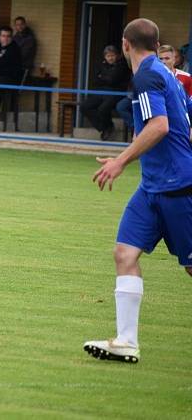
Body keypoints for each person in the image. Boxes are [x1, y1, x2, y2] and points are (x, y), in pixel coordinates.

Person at [85, 18, 192, 364]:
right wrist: (123, 157)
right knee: (124, 254)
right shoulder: (165, 74)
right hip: (153, 188)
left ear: (125, 44)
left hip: (178, 188)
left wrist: (120, 163)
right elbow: (165, 125)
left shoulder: (147, 76)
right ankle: (127, 341)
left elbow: (160, 127)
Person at [81, 45, 131, 140]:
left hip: (117, 93)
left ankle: (107, 128)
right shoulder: (101, 65)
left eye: (112, 55)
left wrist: (102, 77)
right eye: (108, 56)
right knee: (84, 106)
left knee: (103, 108)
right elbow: (95, 80)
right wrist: (107, 78)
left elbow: (113, 80)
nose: (110, 58)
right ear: (105, 57)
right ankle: (105, 127)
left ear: (117, 56)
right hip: (102, 91)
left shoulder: (122, 65)